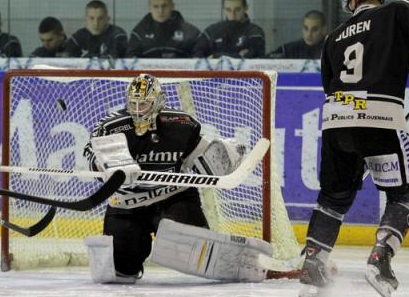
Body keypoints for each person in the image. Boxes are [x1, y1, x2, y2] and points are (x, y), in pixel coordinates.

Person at [298, 0, 409, 297]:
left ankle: (313, 265)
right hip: (380, 116)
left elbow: (330, 86)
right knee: (405, 194)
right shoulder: (398, 12)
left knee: (333, 197)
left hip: (337, 118)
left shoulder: (334, 36)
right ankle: (380, 258)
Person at [82, 74, 271, 284]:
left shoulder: (181, 123)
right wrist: (104, 167)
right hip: (128, 204)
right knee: (119, 272)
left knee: (200, 251)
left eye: (143, 104)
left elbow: (202, 159)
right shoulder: (112, 127)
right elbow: (93, 156)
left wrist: (223, 156)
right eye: (133, 104)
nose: (137, 110)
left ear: (158, 102)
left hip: (174, 198)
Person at [126, 0, 200, 58]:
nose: (160, 11)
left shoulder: (190, 33)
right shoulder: (139, 34)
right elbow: (129, 62)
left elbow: (199, 61)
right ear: (149, 8)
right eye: (156, 6)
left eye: (164, 6)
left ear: (172, 6)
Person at [193, 0, 265, 58]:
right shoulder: (211, 31)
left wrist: (214, 57)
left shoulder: (254, 33)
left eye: (237, 9)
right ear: (223, 9)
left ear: (246, 8)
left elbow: (252, 58)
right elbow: (196, 57)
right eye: (228, 10)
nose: (233, 14)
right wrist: (236, 55)